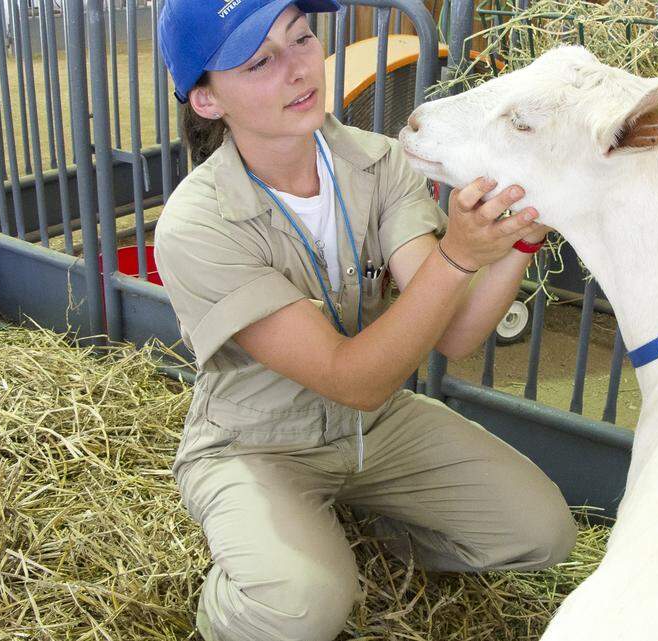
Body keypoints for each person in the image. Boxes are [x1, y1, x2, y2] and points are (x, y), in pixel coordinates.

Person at [154, 0, 577, 639]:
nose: (299, 70)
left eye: (300, 40)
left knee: (542, 534)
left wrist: (516, 239)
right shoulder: (197, 225)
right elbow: (353, 378)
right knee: (301, 608)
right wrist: (460, 255)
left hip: (376, 429)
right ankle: (240, 602)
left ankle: (354, 536)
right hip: (261, 443)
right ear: (208, 102)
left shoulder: (379, 162)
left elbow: (456, 332)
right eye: (260, 60)